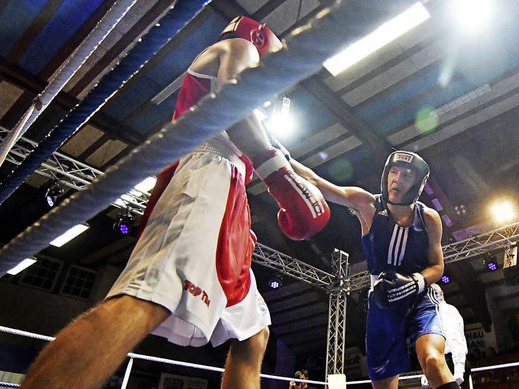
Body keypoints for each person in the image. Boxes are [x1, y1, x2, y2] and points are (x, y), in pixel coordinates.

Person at [21, 16, 329, 389]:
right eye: (277, 61)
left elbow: (285, 159)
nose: (277, 81)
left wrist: (343, 198)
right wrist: (279, 178)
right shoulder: (242, 48)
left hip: (229, 194)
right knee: (147, 298)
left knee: (252, 335)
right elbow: (236, 106)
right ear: (262, 40)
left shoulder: (253, 109)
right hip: (206, 179)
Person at [290, 151, 459, 389]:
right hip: (382, 303)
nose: (397, 179)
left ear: (418, 184)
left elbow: (438, 266)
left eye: (406, 175)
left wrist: (414, 282)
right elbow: (317, 182)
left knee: (432, 360)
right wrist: (278, 156)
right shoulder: (367, 205)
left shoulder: (429, 218)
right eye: (393, 172)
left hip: (420, 298)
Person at [431, 283, 468, 388]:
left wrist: (459, 368)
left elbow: (455, 339)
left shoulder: (446, 310)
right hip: (442, 362)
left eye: (432, 294)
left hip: (452, 362)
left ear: (441, 294)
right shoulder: (434, 313)